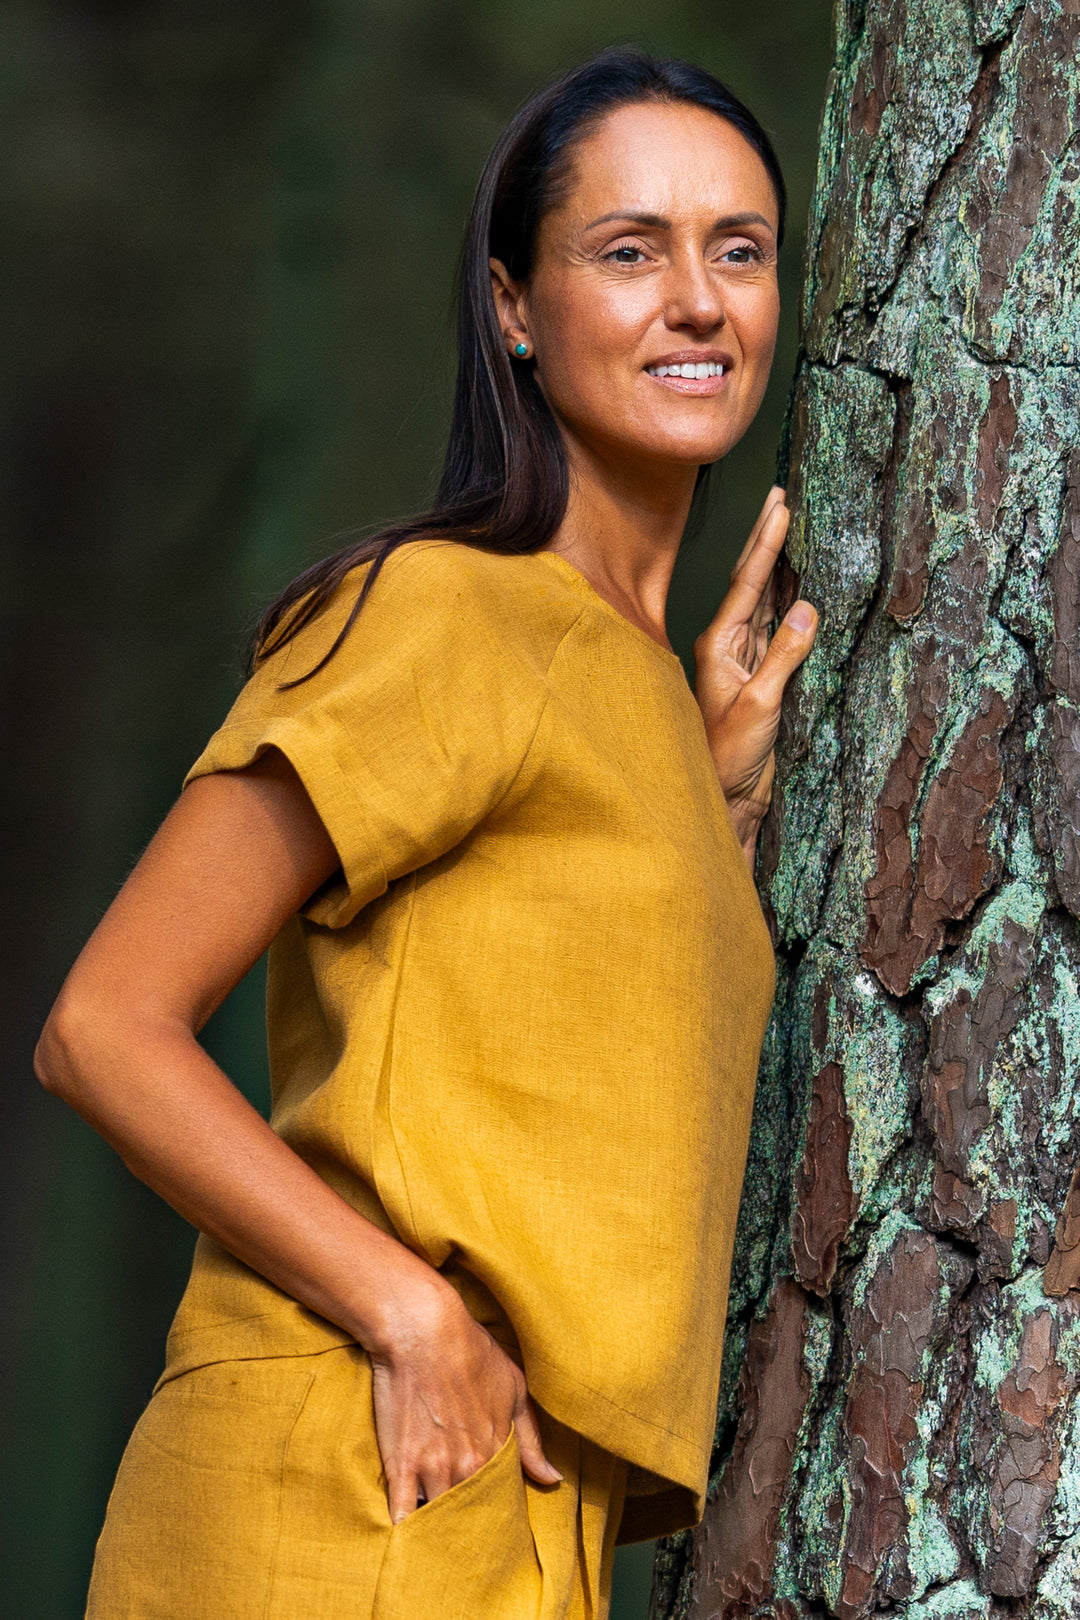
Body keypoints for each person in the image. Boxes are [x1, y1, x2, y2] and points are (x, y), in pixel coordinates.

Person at [36, 46, 818, 1620]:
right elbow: (103, 1027)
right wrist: (406, 1312)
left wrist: (707, 800)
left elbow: (592, 1074)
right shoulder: (446, 610)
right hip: (349, 1471)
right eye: (628, 250)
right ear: (514, 307)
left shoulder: (635, 693)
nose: (697, 300)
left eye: (738, 248)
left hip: (527, 1523)